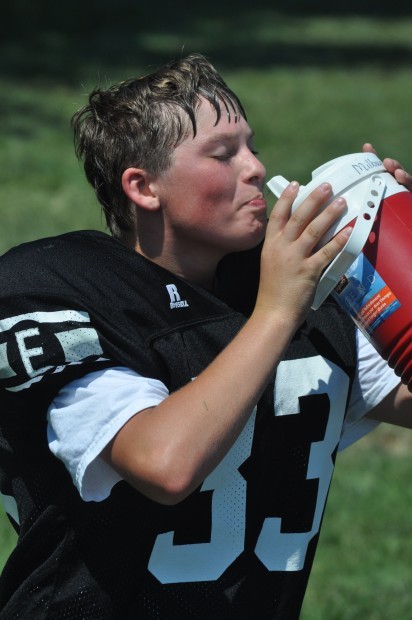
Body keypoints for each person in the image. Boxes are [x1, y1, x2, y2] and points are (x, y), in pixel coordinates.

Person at [0, 53, 411, 619]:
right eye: (222, 154)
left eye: (252, 147)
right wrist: (277, 309)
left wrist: (395, 258)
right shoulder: (59, 288)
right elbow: (165, 464)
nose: (255, 169)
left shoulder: (296, 289)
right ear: (143, 188)